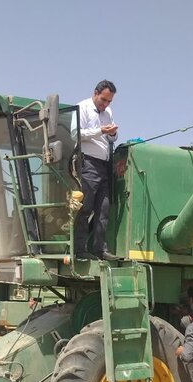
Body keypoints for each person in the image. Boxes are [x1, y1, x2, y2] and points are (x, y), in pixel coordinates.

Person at [73, 80, 119, 261]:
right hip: (88, 163)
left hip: (104, 164)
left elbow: (112, 138)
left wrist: (112, 133)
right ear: (95, 93)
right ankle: (80, 249)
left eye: (109, 101)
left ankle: (100, 249)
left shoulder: (108, 112)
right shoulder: (82, 107)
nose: (105, 104)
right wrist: (100, 130)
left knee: (103, 208)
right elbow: (76, 133)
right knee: (86, 208)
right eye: (103, 100)